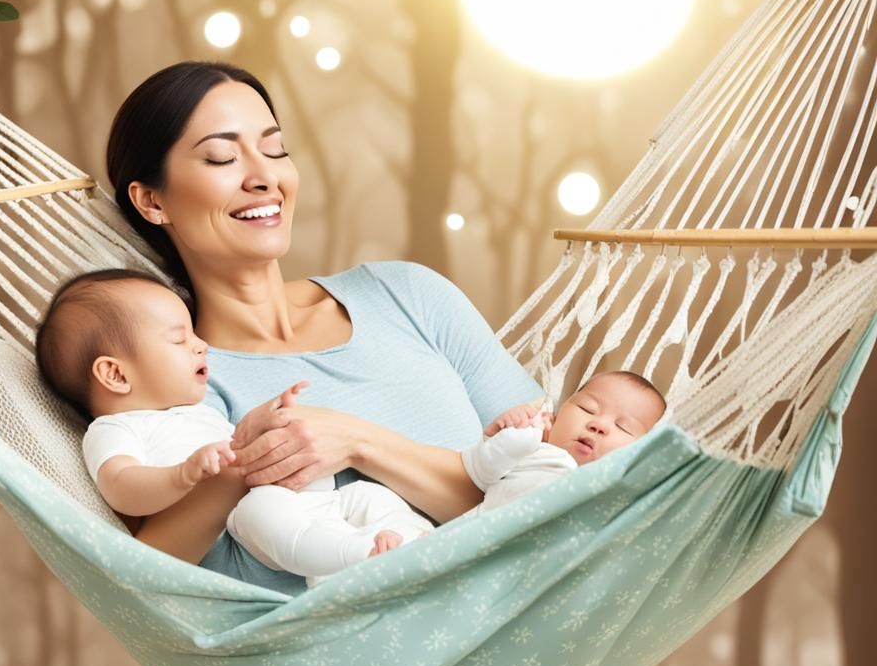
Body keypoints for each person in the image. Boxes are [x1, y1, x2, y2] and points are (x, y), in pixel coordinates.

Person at [105, 60, 544, 595]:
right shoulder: (179, 379)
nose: (263, 176)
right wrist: (239, 465)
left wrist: (359, 442)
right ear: (152, 201)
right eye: (221, 157)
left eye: (275, 149)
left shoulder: (406, 295)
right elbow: (150, 580)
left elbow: (552, 485)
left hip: (529, 612)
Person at [34, 269, 433, 587]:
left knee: (366, 496)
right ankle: (362, 557)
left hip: (312, 501)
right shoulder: (114, 428)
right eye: (179, 340)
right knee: (268, 512)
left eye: (193, 334)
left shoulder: (195, 412)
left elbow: (236, 446)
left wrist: (263, 423)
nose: (200, 344)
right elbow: (121, 486)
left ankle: (416, 543)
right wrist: (182, 475)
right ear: (115, 374)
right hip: (250, 521)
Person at [461, 371, 666, 514]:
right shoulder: (533, 445)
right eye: (588, 409)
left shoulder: (611, 494)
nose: (598, 425)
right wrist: (500, 437)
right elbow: (479, 474)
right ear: (554, 417)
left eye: (623, 427)